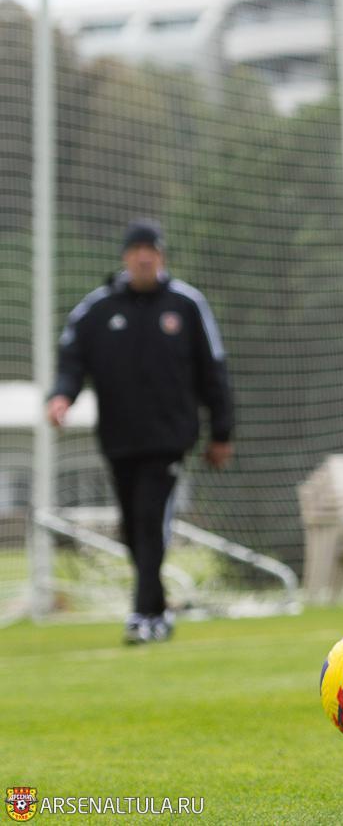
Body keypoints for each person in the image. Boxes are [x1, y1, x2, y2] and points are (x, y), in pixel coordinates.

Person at [47, 218, 233, 644]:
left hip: (169, 439)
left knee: (151, 520)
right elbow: (71, 361)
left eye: (152, 251)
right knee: (133, 528)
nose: (144, 258)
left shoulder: (187, 305)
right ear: (126, 257)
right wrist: (61, 396)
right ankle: (158, 610)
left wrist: (221, 431)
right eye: (137, 251)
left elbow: (214, 371)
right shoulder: (97, 309)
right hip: (119, 439)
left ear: (161, 257)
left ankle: (142, 615)